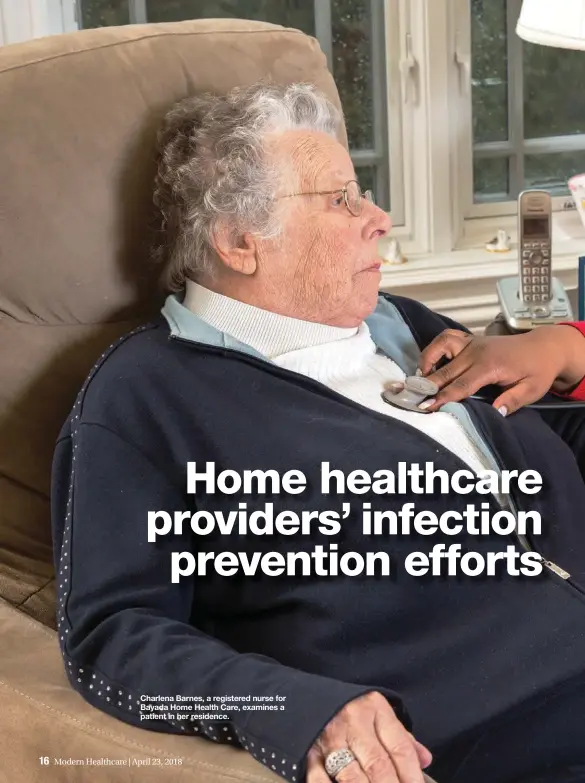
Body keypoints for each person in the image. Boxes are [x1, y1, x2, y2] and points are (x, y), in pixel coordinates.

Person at [51, 82, 585, 783]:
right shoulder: (145, 397)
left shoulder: (400, 327)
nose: (380, 217)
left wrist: (568, 354)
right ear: (241, 241)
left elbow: (537, 451)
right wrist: (294, 708)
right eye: (342, 199)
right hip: (502, 738)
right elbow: (111, 634)